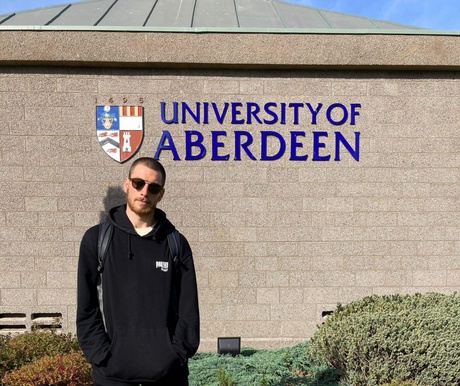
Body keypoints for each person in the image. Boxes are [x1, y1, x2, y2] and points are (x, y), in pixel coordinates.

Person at [77, 157, 200, 386]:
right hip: (112, 376)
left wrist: (176, 355)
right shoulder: (97, 240)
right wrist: (101, 355)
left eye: (153, 187)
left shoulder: (175, 243)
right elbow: (86, 307)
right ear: (127, 184)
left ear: (160, 194)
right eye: (138, 183)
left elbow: (188, 309)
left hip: (168, 377)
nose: (144, 191)